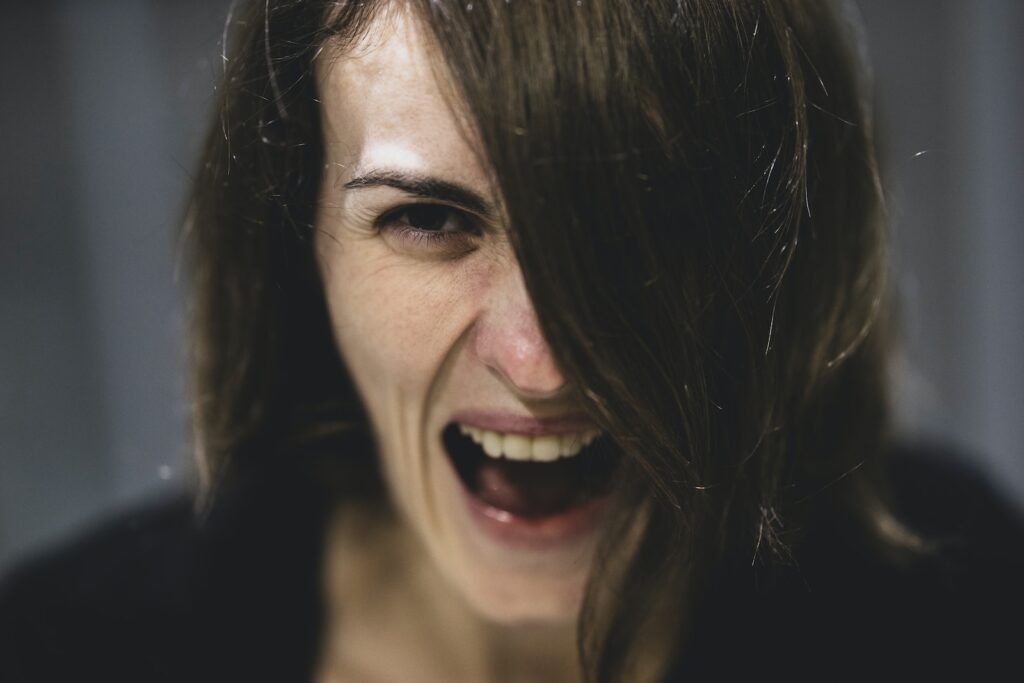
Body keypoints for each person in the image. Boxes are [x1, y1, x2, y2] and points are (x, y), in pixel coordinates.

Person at [2, 1, 1022, 681]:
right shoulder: (68, 649)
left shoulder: (945, 596)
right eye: (428, 220)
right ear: (298, 243)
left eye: (635, 223)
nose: (543, 361)